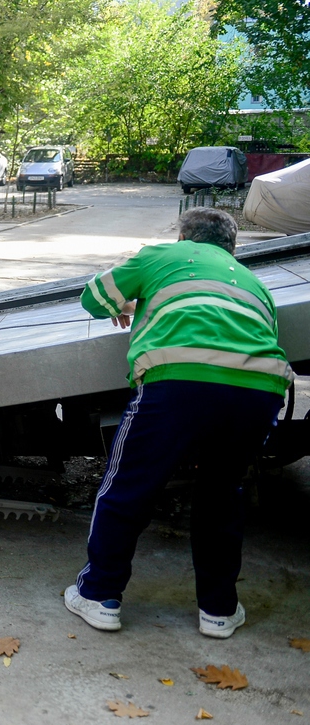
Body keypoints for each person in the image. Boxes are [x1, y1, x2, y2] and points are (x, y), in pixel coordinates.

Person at [65, 207, 292, 639]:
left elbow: (93, 298)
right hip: (259, 390)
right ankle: (219, 611)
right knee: (222, 494)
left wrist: (132, 302)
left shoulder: (165, 256)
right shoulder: (255, 284)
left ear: (186, 236)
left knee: (128, 487)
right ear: (232, 247)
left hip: (179, 383)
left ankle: (99, 596)